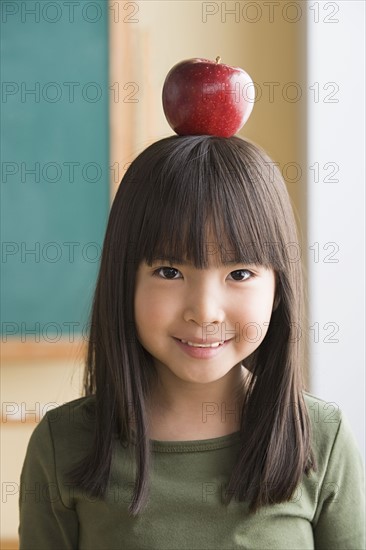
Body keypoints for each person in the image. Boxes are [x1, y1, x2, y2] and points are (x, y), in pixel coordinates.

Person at [18, 135, 365, 549]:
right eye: (169, 271)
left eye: (239, 274)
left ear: (278, 289)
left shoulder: (322, 438)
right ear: (123, 282)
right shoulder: (64, 446)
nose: (204, 311)